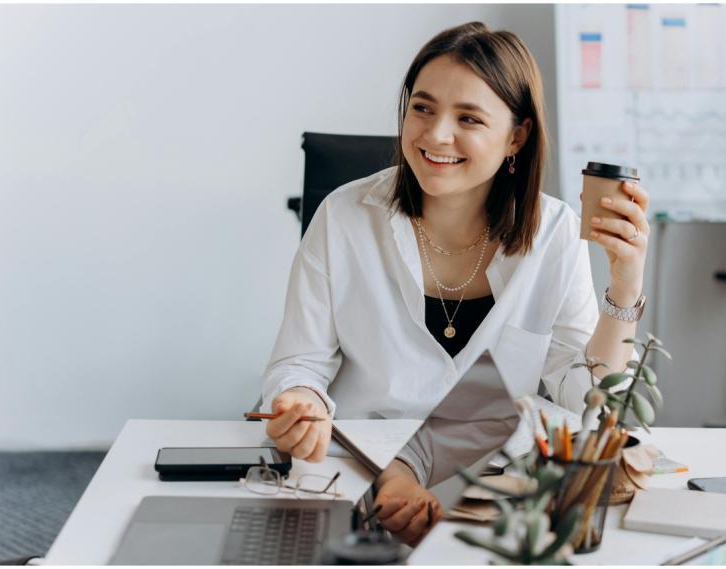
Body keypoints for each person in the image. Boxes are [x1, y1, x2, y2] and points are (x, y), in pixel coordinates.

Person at [261, 21, 651, 545]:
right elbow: (298, 363)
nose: (435, 134)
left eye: (468, 117)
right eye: (422, 108)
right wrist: (299, 403)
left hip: (495, 499)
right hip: (356, 481)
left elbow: (588, 396)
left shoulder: (554, 233)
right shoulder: (344, 216)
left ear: (517, 136)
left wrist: (624, 287)